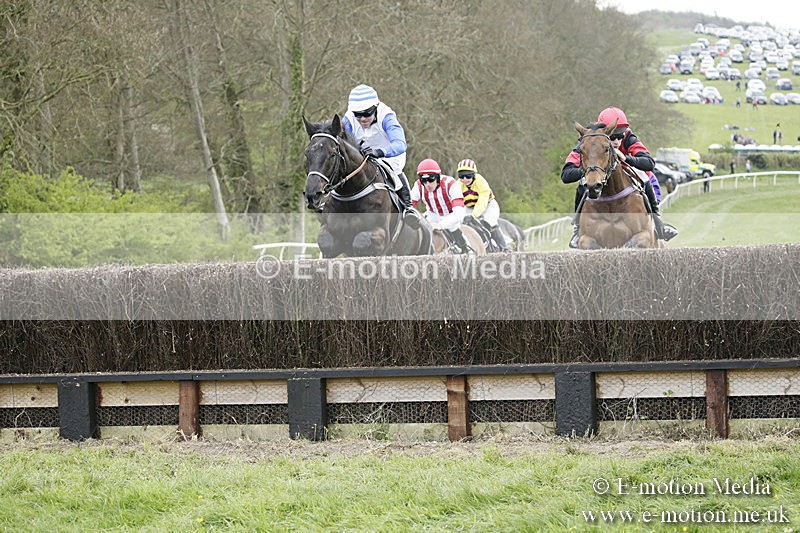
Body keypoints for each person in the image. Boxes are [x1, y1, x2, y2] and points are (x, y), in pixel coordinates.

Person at [561, 106, 677, 248]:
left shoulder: (629, 137)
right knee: (583, 183)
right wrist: (588, 170)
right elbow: (566, 175)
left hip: (631, 173)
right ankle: (577, 229)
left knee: (644, 177)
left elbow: (649, 163)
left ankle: (658, 223)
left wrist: (627, 159)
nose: (616, 141)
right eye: (612, 136)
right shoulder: (590, 141)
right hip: (598, 173)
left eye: (620, 136)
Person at [341, 84, 421, 229]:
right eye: (358, 114)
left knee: (392, 170)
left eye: (367, 113)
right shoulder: (348, 118)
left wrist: (379, 152)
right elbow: (342, 142)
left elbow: (400, 144)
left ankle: (408, 208)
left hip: (388, 154)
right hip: (363, 153)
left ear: (376, 107)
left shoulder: (387, 116)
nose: (362, 118)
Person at [410, 158, 471, 253]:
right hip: (432, 215)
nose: (427, 184)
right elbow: (408, 207)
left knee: (453, 227)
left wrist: (441, 225)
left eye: (430, 180)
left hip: (450, 216)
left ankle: (466, 249)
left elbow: (459, 213)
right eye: (424, 181)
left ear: (438, 177)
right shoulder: (418, 186)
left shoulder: (451, 184)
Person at [456, 159, 511, 252]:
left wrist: (473, 215)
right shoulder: (458, 184)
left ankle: (504, 249)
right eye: (461, 176)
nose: (464, 179)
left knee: (489, 222)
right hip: (469, 207)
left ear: (474, 175)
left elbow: (482, 202)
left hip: (488, 205)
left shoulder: (481, 181)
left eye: (468, 176)